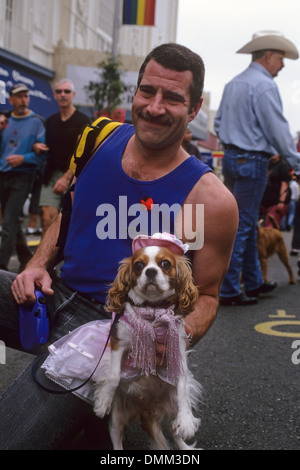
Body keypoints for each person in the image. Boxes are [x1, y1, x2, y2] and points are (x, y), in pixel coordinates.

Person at [0, 43, 238, 450]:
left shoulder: (207, 200)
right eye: (148, 91)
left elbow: (208, 296)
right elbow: (71, 211)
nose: (155, 107)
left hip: (113, 327)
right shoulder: (99, 139)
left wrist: (167, 343)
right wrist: (38, 263)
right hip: (52, 294)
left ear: (194, 109)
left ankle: (95, 411)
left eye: (173, 98)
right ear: (135, 91)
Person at [214, 30, 300, 306]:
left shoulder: (233, 84)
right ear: (269, 56)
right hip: (253, 162)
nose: (283, 65)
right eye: (281, 59)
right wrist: (295, 162)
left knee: (246, 224)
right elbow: (278, 129)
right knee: (244, 225)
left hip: (231, 158)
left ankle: (253, 282)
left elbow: (218, 124)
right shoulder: (264, 86)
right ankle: (229, 289)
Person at [0, 83, 46, 271]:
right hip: (3, 175)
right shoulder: (5, 119)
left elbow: (42, 153)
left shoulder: (36, 121)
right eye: (19, 97)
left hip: (24, 175)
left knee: (9, 222)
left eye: (26, 96)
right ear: (11, 100)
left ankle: (1, 267)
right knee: (11, 222)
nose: (23, 100)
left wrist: (23, 157)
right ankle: (26, 258)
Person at [39, 79, 90, 235]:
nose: (63, 95)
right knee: (47, 219)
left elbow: (82, 153)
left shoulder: (83, 120)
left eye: (66, 91)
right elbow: (42, 143)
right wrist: (37, 146)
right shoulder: (50, 121)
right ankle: (48, 258)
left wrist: (67, 177)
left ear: (73, 95)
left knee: (75, 223)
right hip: (51, 175)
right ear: (54, 95)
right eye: (59, 91)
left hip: (75, 176)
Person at [260, 153, 292, 228]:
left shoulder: (283, 165)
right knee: (266, 228)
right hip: (266, 202)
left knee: (270, 227)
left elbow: (285, 184)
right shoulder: (268, 164)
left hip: (277, 202)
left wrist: (281, 201)